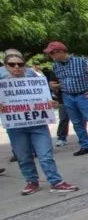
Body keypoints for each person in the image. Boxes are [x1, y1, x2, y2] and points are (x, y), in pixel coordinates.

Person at [1, 53, 79, 195]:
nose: (17, 67)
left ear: (25, 66)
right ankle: (32, 182)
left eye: (20, 64)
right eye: (12, 64)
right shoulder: (2, 86)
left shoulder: (36, 81)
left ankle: (56, 182)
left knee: (45, 155)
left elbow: (48, 100)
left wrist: (51, 103)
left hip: (38, 124)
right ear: (6, 67)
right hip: (16, 127)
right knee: (24, 157)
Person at [44, 41, 88, 157]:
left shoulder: (81, 61)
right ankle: (85, 145)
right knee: (77, 123)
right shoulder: (56, 66)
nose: (51, 56)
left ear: (61, 52)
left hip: (84, 95)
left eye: (52, 53)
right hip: (68, 96)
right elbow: (55, 82)